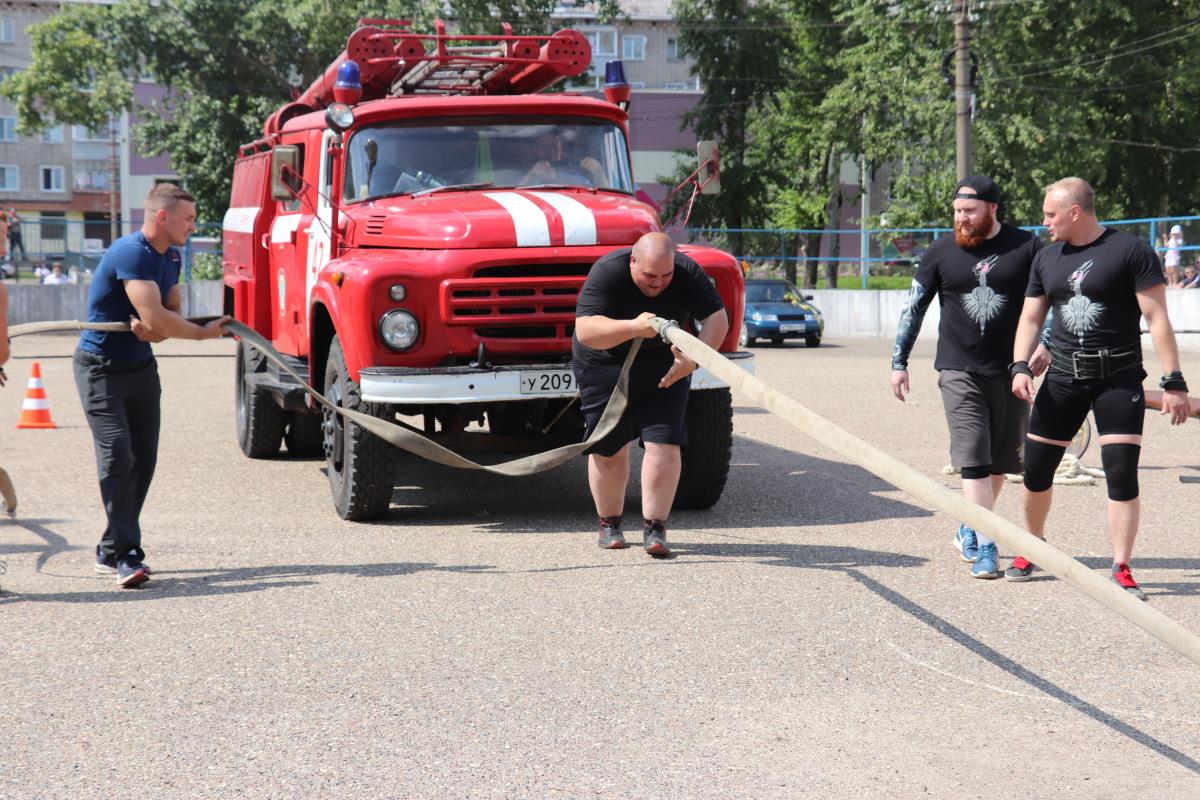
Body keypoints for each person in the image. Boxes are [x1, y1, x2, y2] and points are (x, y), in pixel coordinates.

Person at [1009, 177, 1190, 599]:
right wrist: (1020, 365)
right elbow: (1031, 318)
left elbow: (1157, 317)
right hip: (1063, 379)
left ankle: (1122, 566)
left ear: (1075, 211)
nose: (1045, 221)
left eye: (1050, 214)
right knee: (1036, 471)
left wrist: (1174, 382)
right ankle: (1032, 547)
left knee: (1121, 474)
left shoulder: (1130, 251)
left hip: (1118, 379)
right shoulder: (1046, 258)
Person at [890, 175, 1047, 579]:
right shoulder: (940, 251)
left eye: (970, 211)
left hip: (1012, 371)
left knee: (999, 461)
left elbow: (1052, 299)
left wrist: (1047, 345)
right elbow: (914, 308)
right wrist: (899, 361)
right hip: (959, 368)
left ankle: (970, 524)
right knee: (973, 455)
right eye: (958, 211)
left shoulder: (1028, 247)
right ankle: (988, 546)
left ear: (993, 208)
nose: (962, 218)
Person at [75, 183, 229, 588]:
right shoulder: (131, 253)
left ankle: (111, 548)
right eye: (189, 218)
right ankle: (127, 555)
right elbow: (161, 317)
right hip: (101, 370)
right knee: (117, 457)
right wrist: (198, 334)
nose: (194, 226)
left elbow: (168, 314)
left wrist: (159, 330)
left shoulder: (171, 255)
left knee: (143, 461)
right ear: (163, 216)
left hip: (141, 370)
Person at [573, 232, 729, 557]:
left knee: (664, 443)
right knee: (609, 447)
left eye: (665, 276)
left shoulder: (687, 272)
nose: (657, 283)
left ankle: (655, 528)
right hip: (606, 363)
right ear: (633, 261)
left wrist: (692, 362)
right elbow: (586, 331)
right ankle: (609, 523)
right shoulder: (608, 271)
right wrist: (632, 327)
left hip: (665, 364)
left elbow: (717, 319)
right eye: (648, 276)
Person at [521, 130, 605, 187]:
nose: (551, 150)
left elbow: (608, 199)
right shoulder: (516, 172)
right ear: (532, 150)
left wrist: (599, 174)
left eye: (555, 145)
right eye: (544, 147)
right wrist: (531, 175)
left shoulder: (578, 170)